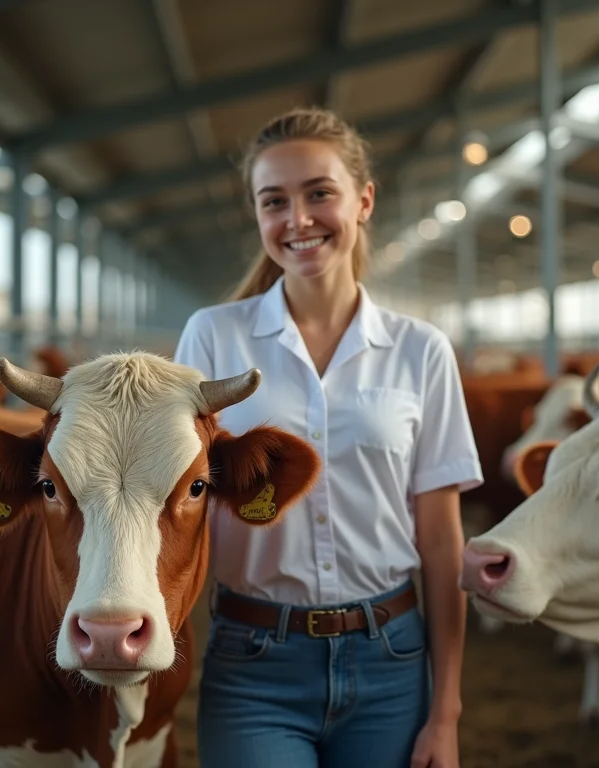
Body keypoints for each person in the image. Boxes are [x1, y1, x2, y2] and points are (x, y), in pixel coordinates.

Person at [173, 106, 483, 768]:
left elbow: (438, 539)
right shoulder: (212, 337)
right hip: (255, 660)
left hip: (392, 660)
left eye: (320, 193)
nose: (298, 220)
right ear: (258, 216)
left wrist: (446, 710)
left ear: (363, 200)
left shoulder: (420, 350)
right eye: (274, 201)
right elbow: (176, 503)